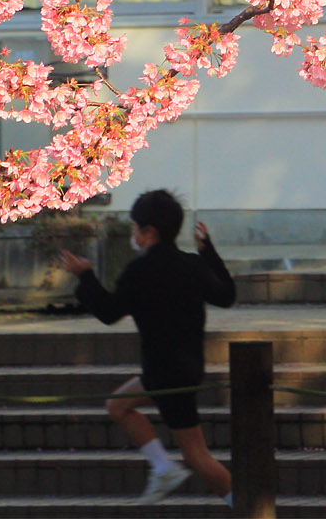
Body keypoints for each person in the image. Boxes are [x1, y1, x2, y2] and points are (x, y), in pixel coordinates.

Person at [57, 188, 235, 506]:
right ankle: (163, 466)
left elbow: (109, 312)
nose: (133, 234)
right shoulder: (191, 265)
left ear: (149, 232)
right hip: (185, 368)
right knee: (118, 405)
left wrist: (85, 277)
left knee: (196, 455)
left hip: (164, 375)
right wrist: (208, 252)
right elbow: (227, 296)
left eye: (135, 227)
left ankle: (248, 505)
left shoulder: (139, 272)